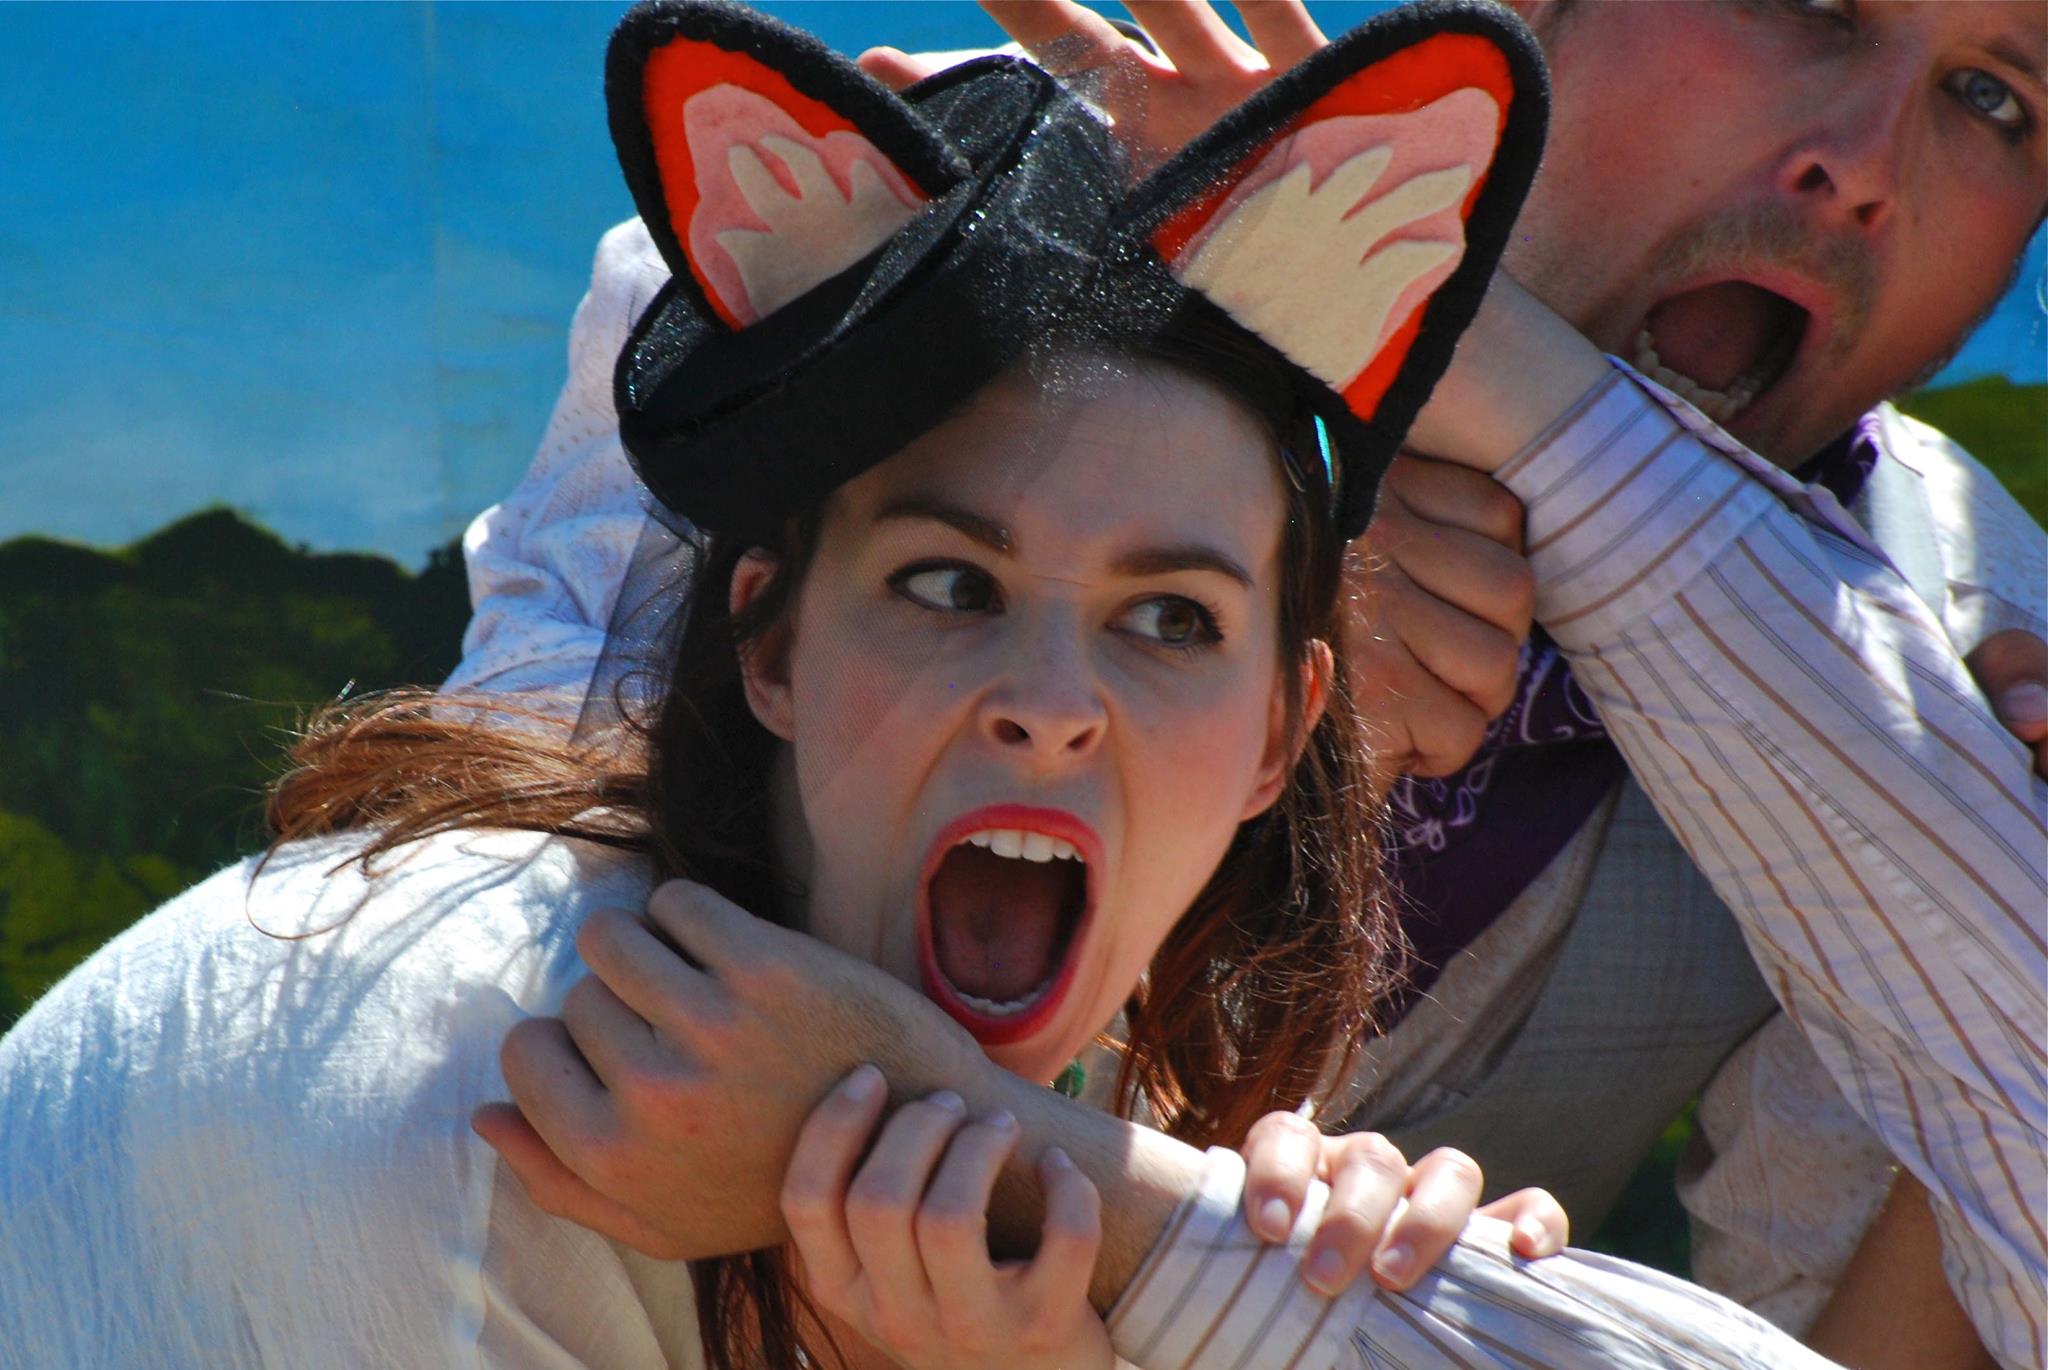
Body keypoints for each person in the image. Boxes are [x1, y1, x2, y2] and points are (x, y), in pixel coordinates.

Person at [2, 5, 1841, 1367]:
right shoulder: (496, 1100)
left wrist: (1261, 1265)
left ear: (1287, 730)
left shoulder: (1048, 1116)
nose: (1052, 700)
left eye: (1171, 619)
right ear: (770, 643)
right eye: (951, 586)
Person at [459, 2, 2046, 1367]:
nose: (1863, 164)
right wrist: (1205, 541)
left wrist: (1485, 385)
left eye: (1997, 96)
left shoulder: (1960, 666)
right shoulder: (915, 240)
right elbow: (507, 969)